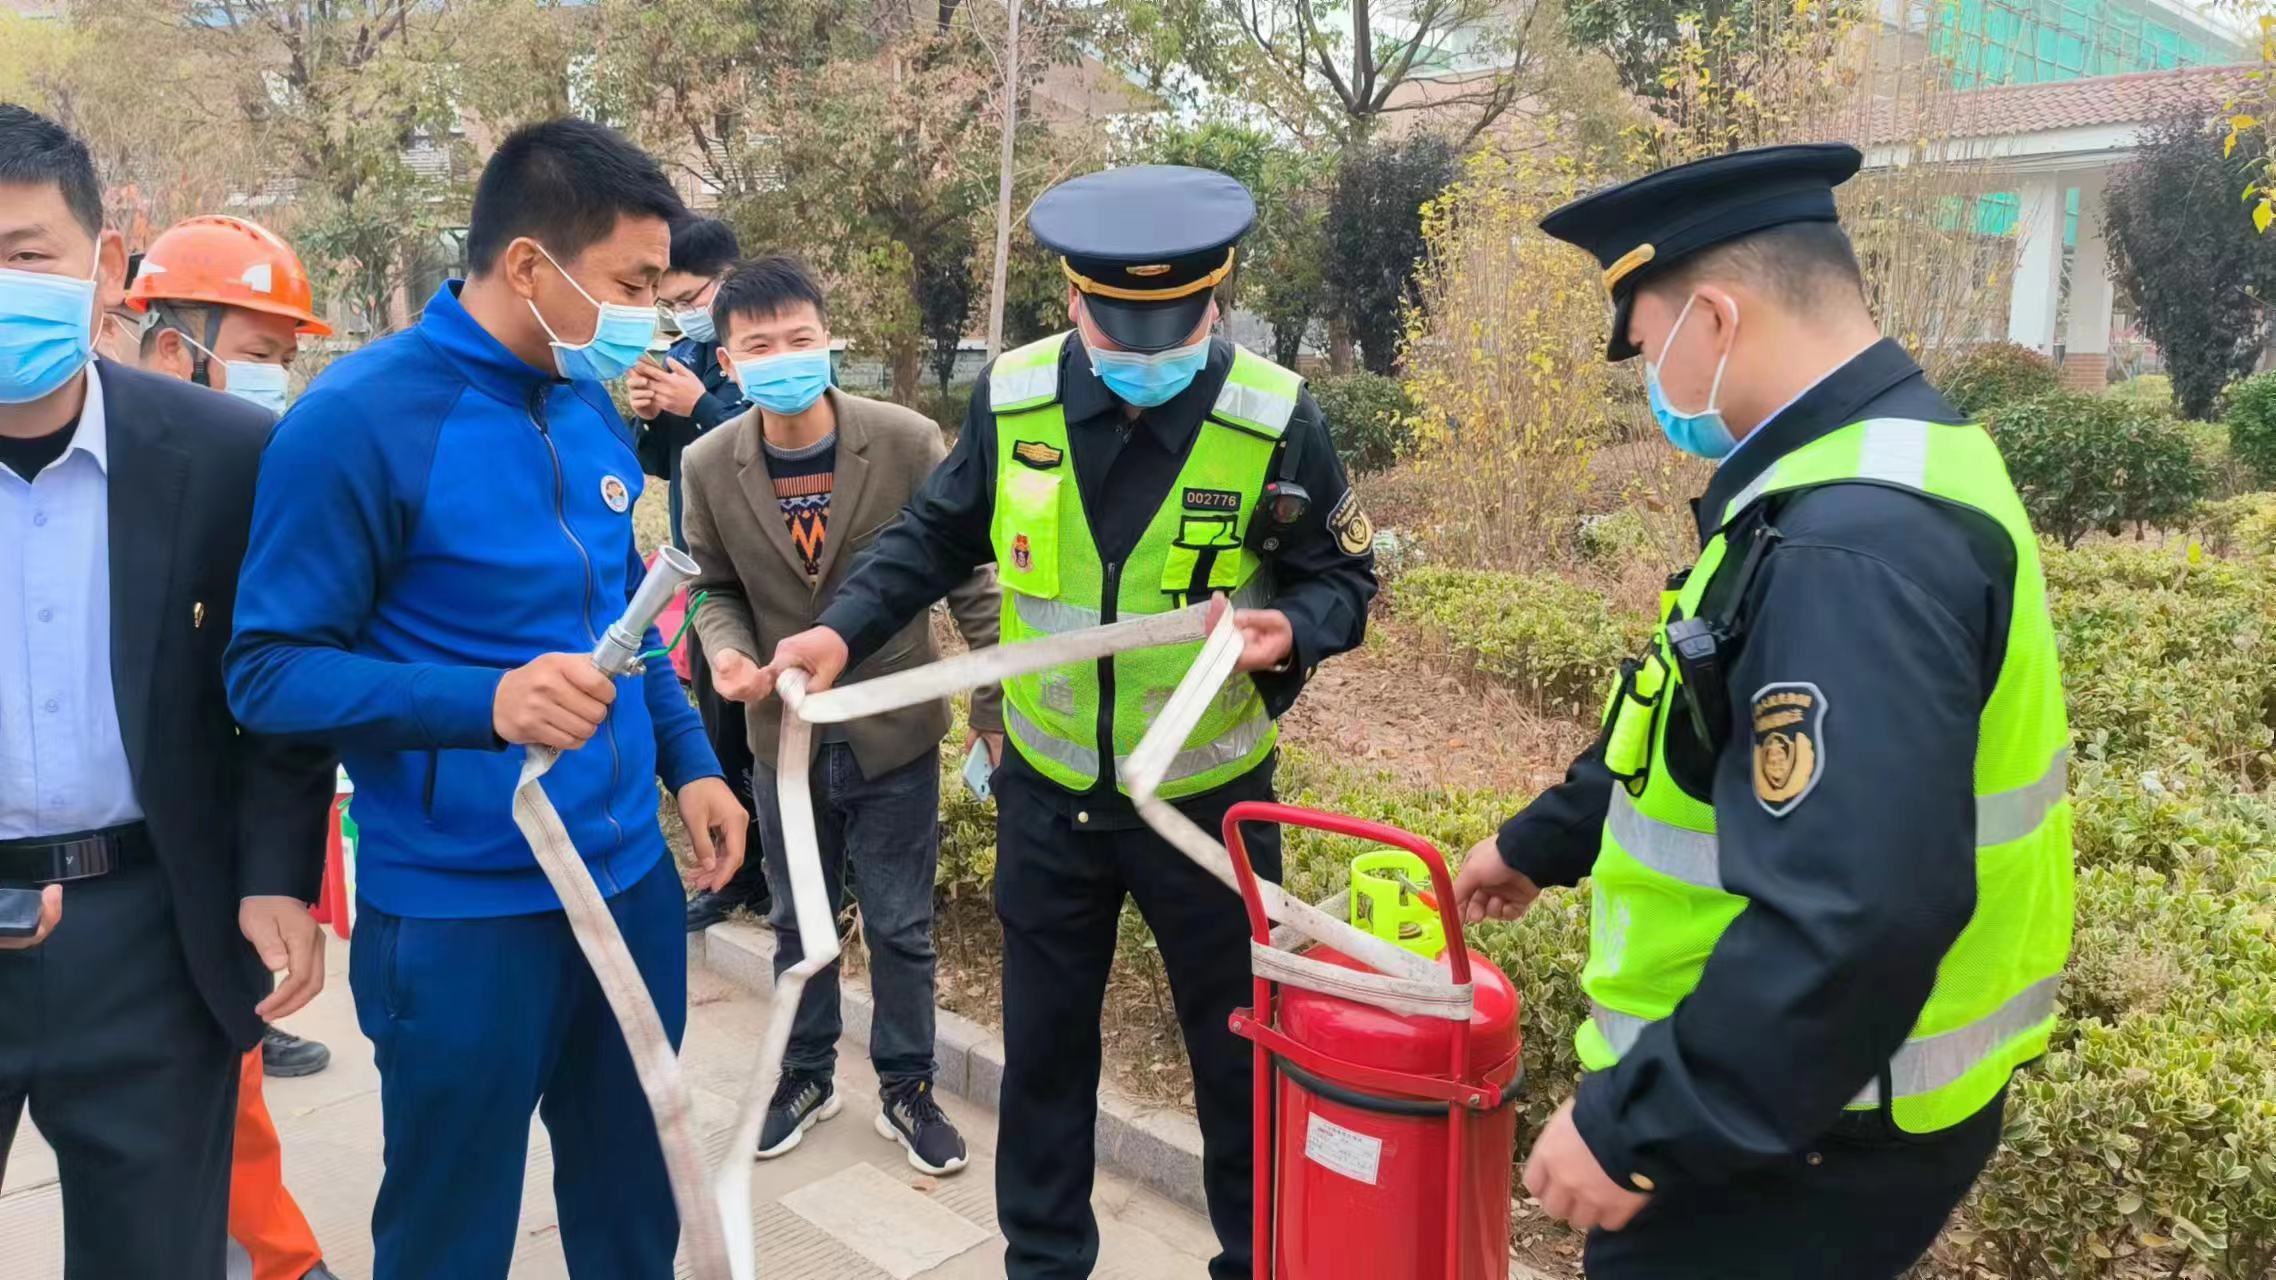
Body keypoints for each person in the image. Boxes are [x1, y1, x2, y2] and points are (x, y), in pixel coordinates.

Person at [1448, 144, 2074, 1279]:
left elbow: (1851, 909)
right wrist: (1538, 840)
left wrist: (1635, 1126)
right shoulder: (1883, 461)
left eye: (1644, 345)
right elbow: (1695, 713)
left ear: (1714, 319)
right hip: (1807, 1115)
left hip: (1783, 1144)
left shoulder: (1846, 541)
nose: (1649, 383)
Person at [752, 164, 1379, 1279]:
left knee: (1238, 1058)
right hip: (1046, 792)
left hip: (1206, 805)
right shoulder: (1018, 394)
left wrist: (1291, 624)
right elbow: (935, 537)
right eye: (1118, 326)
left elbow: (1342, 576)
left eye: (1173, 326)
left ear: (1216, 302)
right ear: (1074, 302)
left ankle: (1259, 1260)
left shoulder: (1276, 416)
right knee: (1042, 1056)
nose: (1145, 354)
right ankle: (1044, 1262)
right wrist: (839, 633)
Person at [224, 118, 749, 1280]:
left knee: (634, 1206)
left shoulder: (584, 403)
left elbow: (624, 626)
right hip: (461, 912)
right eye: (628, 284)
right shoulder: (358, 422)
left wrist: (690, 765)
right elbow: (267, 670)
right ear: (528, 266)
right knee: (450, 1230)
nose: (646, 318)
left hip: (627, 886)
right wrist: (485, 700)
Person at [0, 103, 334, 1280]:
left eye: (22, 254)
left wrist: (272, 875)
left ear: (101, 266)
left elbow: (268, 691)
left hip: (147, 933)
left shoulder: (220, 454)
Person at [682, 254, 1002, 1174]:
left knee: (901, 925)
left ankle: (907, 1086)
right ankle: (807, 1073)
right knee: (797, 920)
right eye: (758, 346)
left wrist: (991, 704)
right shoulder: (709, 464)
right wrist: (728, 650)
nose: (783, 356)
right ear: (729, 363)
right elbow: (713, 586)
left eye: (800, 339)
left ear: (828, 340)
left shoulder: (903, 440)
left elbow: (968, 577)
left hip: (892, 733)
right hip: (781, 738)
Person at [110, 212, 342, 1280]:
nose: (276, 386)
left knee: (223, 1078)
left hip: (213, 852)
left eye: (285, 362)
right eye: (258, 358)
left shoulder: (246, 470)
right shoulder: (103, 477)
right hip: (107, 869)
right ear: (172, 346)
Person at [630, 216, 767, 931]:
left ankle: (800, 874)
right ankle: (735, 876)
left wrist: (704, 405)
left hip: (771, 571)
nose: (682, 311)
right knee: (721, 728)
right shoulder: (686, 352)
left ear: (726, 279)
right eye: (670, 300)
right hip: (707, 569)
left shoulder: (765, 351)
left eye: (691, 294)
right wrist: (651, 417)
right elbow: (662, 465)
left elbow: (771, 445)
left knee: (777, 728)